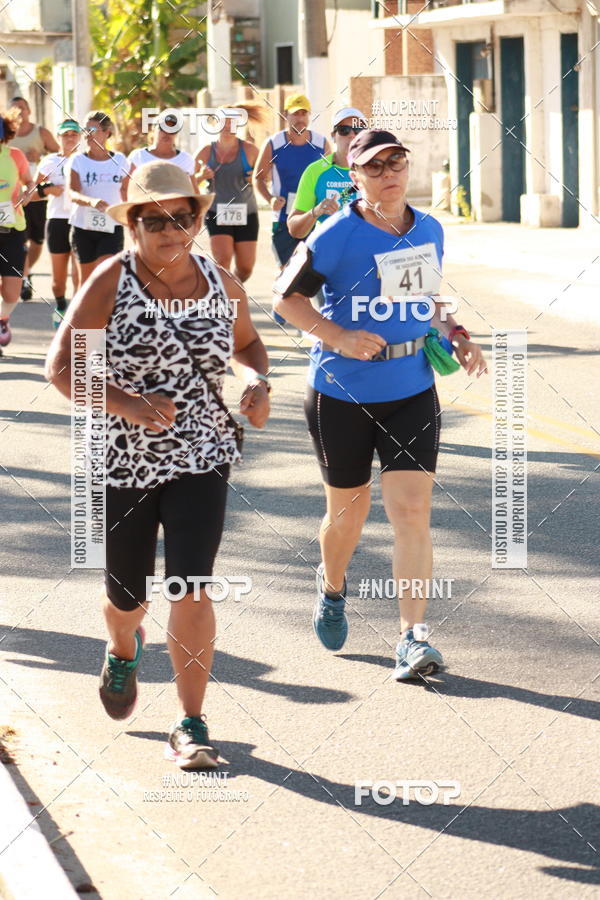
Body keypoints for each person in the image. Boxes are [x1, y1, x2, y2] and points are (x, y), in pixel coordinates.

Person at [45, 162, 271, 768]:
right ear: (134, 224)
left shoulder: (219, 280)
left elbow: (247, 344)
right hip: (123, 460)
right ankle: (123, 649)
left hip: (203, 453)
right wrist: (130, 404)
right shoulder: (109, 283)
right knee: (127, 598)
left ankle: (191, 722)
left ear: (198, 219)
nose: (172, 230)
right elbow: (63, 369)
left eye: (184, 217)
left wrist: (254, 381)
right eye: (156, 220)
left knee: (192, 586)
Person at [274, 129, 487, 680]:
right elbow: (284, 299)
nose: (388, 172)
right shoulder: (336, 234)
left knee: (412, 513)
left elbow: (430, 294)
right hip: (340, 393)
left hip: (412, 389)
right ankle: (332, 586)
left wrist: (456, 331)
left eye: (396, 162)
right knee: (347, 515)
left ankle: (412, 637)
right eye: (374, 166)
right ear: (355, 175)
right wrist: (336, 335)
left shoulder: (430, 228)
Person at [254, 93, 330, 271]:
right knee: (287, 274)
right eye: (295, 114)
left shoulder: (321, 143)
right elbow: (258, 177)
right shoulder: (274, 143)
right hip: (283, 218)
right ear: (285, 115)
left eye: (304, 114)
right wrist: (270, 199)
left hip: (313, 217)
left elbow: (329, 177)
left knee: (313, 272)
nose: (300, 118)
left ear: (309, 116)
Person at [194, 105, 263, 283]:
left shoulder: (250, 150)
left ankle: (234, 286)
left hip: (246, 212)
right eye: (224, 124)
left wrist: (254, 179)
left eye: (232, 124)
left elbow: (266, 176)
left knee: (246, 267)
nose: (227, 128)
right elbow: (188, 180)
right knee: (222, 260)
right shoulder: (206, 151)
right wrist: (202, 176)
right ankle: (225, 295)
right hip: (217, 211)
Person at [287, 107, 367, 241]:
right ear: (333, 136)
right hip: (327, 251)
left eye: (358, 130)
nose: (352, 135)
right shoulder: (315, 171)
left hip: (365, 251)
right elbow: (294, 229)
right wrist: (316, 212)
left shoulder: (376, 169)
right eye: (344, 130)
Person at [67, 111, 128, 285]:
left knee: (106, 273)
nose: (88, 134)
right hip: (82, 227)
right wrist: (91, 201)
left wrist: (131, 216)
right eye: (85, 129)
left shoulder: (121, 160)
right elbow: (72, 193)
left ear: (106, 132)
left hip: (111, 226)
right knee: (86, 282)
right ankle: (83, 312)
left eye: (92, 129)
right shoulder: (78, 160)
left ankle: (109, 312)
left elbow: (126, 192)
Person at [10, 96, 59, 300]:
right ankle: (25, 277)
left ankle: (25, 271)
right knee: (21, 238)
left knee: (37, 241)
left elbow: (59, 155)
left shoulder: (41, 132)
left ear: (29, 110)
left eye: (22, 107)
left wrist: (38, 158)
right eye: (15, 109)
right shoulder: (7, 134)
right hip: (14, 195)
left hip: (37, 195)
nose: (20, 111)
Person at [35, 119, 82, 328]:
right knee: (58, 280)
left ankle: (78, 314)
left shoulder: (85, 161)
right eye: (66, 135)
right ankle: (61, 305)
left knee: (80, 274)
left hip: (80, 220)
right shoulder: (49, 162)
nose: (70, 138)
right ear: (59, 137)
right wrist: (47, 190)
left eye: (74, 134)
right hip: (57, 221)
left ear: (80, 137)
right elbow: (31, 193)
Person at [0, 109, 34, 353]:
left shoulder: (15, 155)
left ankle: (2, 320)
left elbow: (29, 182)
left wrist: (28, 192)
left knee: (12, 293)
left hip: (13, 229)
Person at [123, 113, 195, 196]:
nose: (167, 132)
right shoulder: (138, 156)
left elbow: (193, 191)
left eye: (172, 129)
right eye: (163, 128)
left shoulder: (186, 159)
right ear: (153, 129)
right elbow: (125, 189)